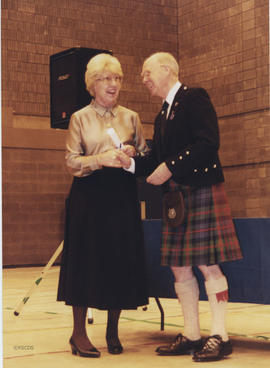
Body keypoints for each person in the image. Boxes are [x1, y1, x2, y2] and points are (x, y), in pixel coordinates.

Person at [122, 52, 243, 362]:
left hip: (200, 188)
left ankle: (220, 335)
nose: (143, 78)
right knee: (179, 266)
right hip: (177, 195)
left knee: (206, 263)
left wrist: (171, 168)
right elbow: (154, 160)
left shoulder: (194, 97)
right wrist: (131, 163)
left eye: (147, 72)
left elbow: (208, 142)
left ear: (167, 69)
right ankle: (191, 334)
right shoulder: (163, 115)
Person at [57, 53, 149, 358]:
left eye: (117, 78)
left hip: (121, 196)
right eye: (105, 79)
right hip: (89, 196)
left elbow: (146, 157)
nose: (113, 84)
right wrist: (100, 159)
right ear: (92, 85)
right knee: (85, 262)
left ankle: (112, 329)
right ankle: (78, 333)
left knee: (119, 259)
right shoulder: (79, 118)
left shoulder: (131, 117)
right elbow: (71, 162)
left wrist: (133, 154)